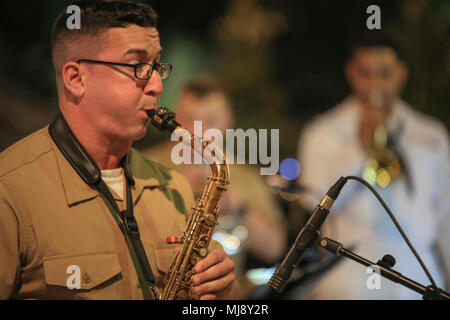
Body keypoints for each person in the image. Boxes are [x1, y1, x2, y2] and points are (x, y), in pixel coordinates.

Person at [0, 1, 238, 300]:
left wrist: (225, 289)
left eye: (156, 66)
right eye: (137, 66)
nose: (156, 85)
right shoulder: (9, 191)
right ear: (76, 78)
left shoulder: (173, 187)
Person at [296, 32, 450, 299]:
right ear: (351, 74)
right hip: (347, 283)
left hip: (418, 279)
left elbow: (446, 219)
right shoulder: (320, 133)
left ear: (402, 73)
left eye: (384, 74)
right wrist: (360, 149)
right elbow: (310, 203)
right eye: (365, 74)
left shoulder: (431, 135)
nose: (375, 85)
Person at [142, 75, 288, 298]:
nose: (197, 132)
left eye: (210, 121)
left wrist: (238, 205)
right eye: (189, 119)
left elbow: (274, 248)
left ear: (229, 122)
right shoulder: (146, 165)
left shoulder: (244, 176)